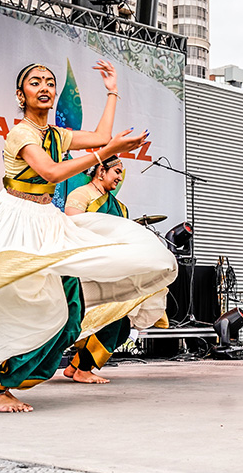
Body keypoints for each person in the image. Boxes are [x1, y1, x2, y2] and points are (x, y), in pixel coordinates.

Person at [0, 61, 176, 412]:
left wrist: (112, 91)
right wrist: (105, 152)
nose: (46, 87)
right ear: (21, 95)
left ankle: (2, 384)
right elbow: (51, 170)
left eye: (50, 82)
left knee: (69, 315)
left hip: (46, 221)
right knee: (27, 306)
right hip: (15, 222)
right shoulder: (22, 133)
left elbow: (99, 137)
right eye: (35, 82)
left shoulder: (55, 134)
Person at [60, 155, 167, 384]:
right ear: (101, 170)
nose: (120, 177)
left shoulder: (119, 207)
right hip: (88, 269)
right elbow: (74, 228)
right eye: (116, 172)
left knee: (122, 324)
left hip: (113, 269)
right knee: (111, 320)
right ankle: (83, 369)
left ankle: (76, 366)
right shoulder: (81, 195)